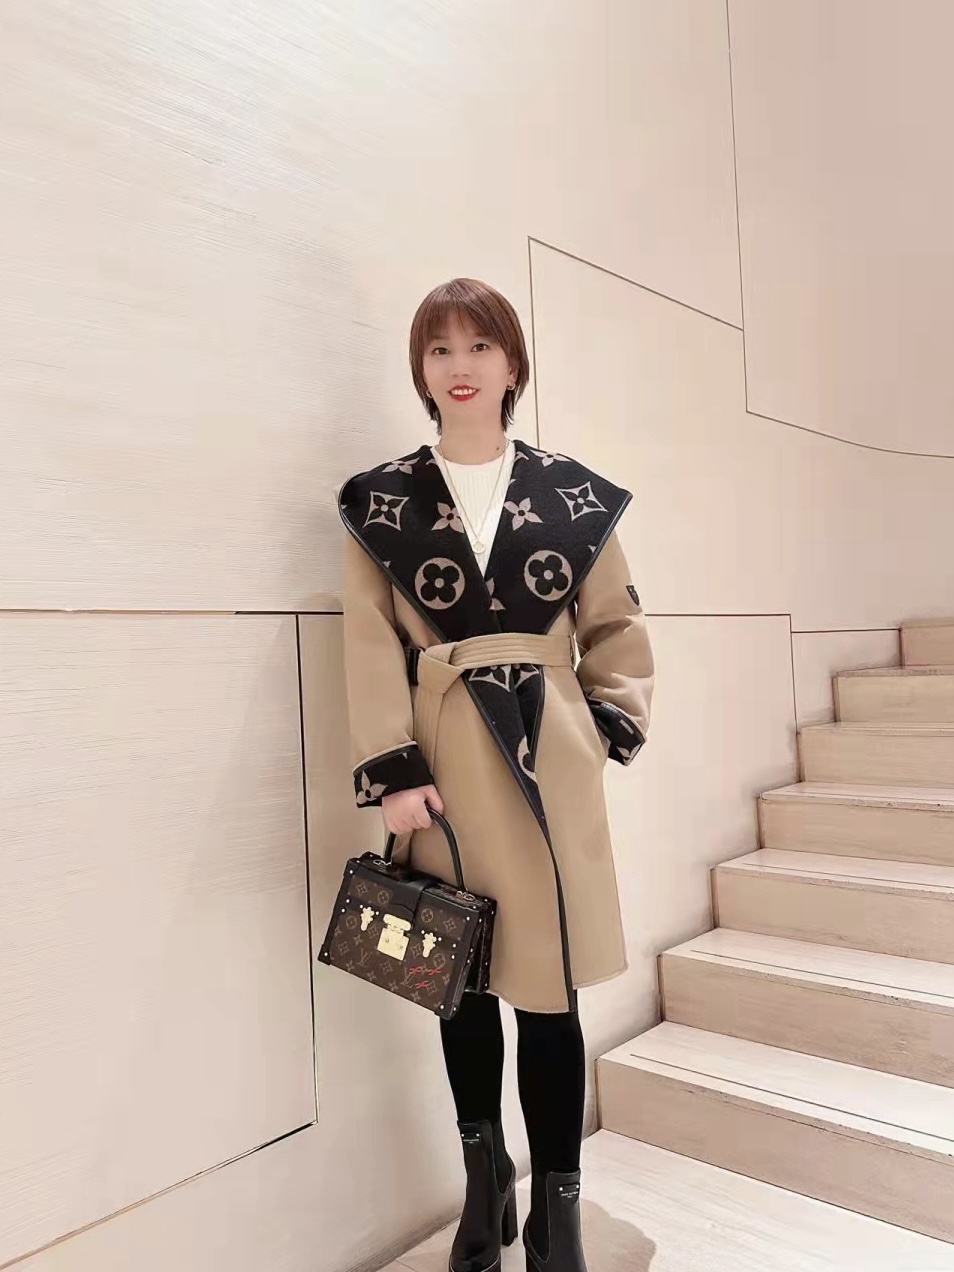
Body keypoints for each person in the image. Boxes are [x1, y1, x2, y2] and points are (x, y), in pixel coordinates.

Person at [337, 278, 654, 1272]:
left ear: (513, 363)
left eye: (479, 346)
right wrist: (393, 767)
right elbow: (367, 641)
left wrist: (601, 728)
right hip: (439, 764)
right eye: (439, 349)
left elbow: (617, 626)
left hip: (550, 763)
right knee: (459, 978)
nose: (460, 367)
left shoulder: (573, 495)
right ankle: (488, 1183)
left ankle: (559, 1218)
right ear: (420, 370)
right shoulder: (382, 501)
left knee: (549, 993)